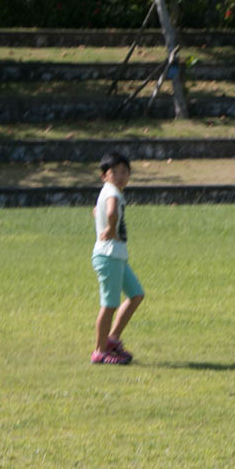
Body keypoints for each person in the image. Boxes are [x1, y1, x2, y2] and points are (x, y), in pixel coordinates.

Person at [90, 151, 144, 365]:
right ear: (105, 175)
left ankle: (111, 340)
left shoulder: (109, 191)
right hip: (108, 256)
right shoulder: (112, 192)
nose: (121, 176)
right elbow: (111, 213)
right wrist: (110, 227)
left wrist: (101, 218)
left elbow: (99, 211)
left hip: (116, 256)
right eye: (115, 172)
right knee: (109, 305)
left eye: (125, 172)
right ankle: (100, 351)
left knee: (136, 294)